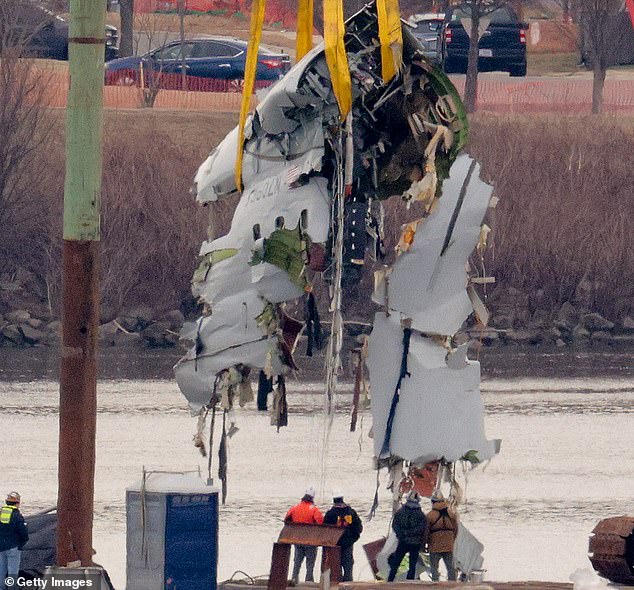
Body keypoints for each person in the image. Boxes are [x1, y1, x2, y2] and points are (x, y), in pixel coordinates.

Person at [284, 487, 324, 584]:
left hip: (297, 540)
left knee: (297, 563)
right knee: (310, 565)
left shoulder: (295, 508)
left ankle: (293, 581)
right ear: (312, 498)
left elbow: (286, 520)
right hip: (311, 541)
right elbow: (320, 523)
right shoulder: (314, 510)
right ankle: (309, 583)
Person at [387, 490, 428, 581]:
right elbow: (422, 528)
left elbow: (395, 525)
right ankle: (410, 582)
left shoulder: (400, 512)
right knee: (412, 565)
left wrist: (401, 534)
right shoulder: (420, 514)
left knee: (396, 563)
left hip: (403, 541)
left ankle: (390, 580)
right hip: (415, 542)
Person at [323, 493, 363, 582]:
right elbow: (358, 527)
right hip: (348, 543)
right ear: (342, 499)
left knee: (335, 566)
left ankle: (336, 584)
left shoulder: (330, 514)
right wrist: (353, 539)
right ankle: (348, 584)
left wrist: (329, 541)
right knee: (348, 565)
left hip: (334, 544)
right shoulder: (351, 512)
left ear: (334, 500)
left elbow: (325, 529)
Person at [425, 490, 458, 582]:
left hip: (434, 546)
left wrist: (425, 544)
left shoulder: (430, 515)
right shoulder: (452, 513)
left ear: (433, 502)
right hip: (448, 546)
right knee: (450, 568)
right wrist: (452, 540)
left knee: (434, 568)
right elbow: (455, 529)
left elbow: (426, 532)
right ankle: (453, 584)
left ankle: (435, 585)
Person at [0, 492, 28, 590]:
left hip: (1, 547)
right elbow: (23, 532)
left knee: (1, 569)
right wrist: (23, 542)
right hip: (14, 547)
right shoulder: (17, 515)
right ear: (17, 503)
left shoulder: (1, 513)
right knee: (13, 571)